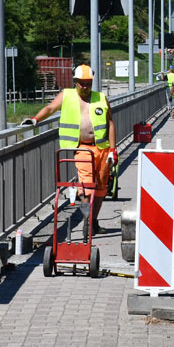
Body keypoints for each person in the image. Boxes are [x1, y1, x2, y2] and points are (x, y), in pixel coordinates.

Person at [22, 65, 117, 236]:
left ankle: (93, 222)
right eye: (82, 83)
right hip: (82, 148)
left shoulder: (101, 98)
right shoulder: (66, 95)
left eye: (88, 83)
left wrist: (113, 150)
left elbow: (110, 123)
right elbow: (50, 108)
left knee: (101, 188)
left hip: (102, 148)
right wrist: (35, 119)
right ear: (75, 82)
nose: (85, 86)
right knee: (86, 186)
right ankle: (87, 221)